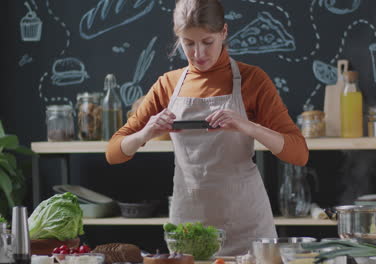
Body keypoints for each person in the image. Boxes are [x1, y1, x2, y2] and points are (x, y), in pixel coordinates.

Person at [106, 0, 309, 255]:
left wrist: (249, 127)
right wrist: (145, 133)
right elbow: (113, 152)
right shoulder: (167, 85)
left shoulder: (252, 80)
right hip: (189, 229)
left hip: (247, 226)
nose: (198, 53)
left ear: (223, 32)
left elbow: (299, 153)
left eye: (207, 42)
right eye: (189, 44)